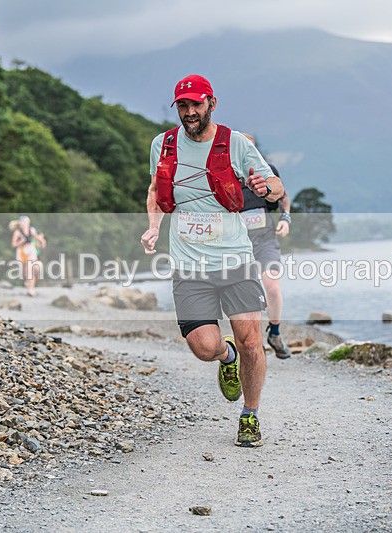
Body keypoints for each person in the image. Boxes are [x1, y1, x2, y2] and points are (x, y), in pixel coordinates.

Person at [140, 74, 284, 447]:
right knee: (204, 347)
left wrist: (264, 187)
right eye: (183, 106)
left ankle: (250, 415)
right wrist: (154, 227)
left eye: (196, 104)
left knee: (252, 341)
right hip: (189, 264)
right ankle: (226, 355)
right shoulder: (163, 144)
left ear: (211, 103)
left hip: (235, 260)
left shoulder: (235, 144)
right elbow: (156, 190)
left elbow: (277, 187)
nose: (190, 112)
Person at [240, 134, 292, 359]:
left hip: (265, 240)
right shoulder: (227, 176)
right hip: (238, 245)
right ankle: (253, 342)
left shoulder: (268, 170)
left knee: (271, 285)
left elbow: (284, 198)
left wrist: (285, 219)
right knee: (246, 295)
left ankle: (275, 332)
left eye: (250, 148)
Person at [10, 215, 46, 296]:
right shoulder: (17, 232)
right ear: (19, 223)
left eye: (25, 222)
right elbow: (14, 244)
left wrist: (42, 242)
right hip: (22, 252)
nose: (24, 224)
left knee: (32, 269)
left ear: (28, 223)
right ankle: (28, 284)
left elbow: (38, 238)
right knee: (26, 271)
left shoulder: (32, 230)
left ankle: (31, 289)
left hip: (31, 251)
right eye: (22, 222)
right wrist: (21, 242)